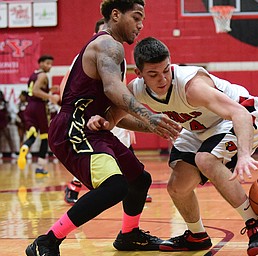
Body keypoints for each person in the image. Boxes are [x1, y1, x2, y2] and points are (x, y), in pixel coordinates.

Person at [87, 37, 258, 255]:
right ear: (139, 74)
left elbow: (238, 113)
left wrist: (243, 154)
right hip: (200, 128)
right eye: (153, 74)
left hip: (244, 114)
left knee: (205, 159)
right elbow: (114, 118)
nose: (162, 79)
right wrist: (101, 122)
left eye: (166, 70)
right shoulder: (136, 89)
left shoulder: (191, 86)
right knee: (177, 186)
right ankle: (197, 236)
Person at [25, 2, 181, 256]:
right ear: (116, 15)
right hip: (72, 127)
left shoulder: (112, 51)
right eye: (136, 17)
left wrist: (154, 127)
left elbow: (113, 117)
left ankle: (129, 235)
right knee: (115, 186)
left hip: (92, 127)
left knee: (139, 180)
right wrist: (149, 116)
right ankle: (47, 241)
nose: (141, 25)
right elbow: (113, 90)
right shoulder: (108, 44)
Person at [62, 18, 152, 205]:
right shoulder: (86, 55)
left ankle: (135, 190)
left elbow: (120, 94)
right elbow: (65, 87)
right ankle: (74, 187)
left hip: (108, 114)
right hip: (87, 118)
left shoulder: (117, 56)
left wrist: (128, 122)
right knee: (97, 160)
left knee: (126, 154)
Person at [17, 55, 60, 175]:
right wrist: (51, 96)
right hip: (40, 107)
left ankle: (25, 146)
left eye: (51, 64)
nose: (49, 66)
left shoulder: (33, 75)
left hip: (29, 106)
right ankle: (40, 168)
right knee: (44, 137)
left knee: (32, 133)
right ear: (40, 63)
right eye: (47, 63)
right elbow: (36, 91)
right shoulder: (43, 75)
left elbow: (33, 91)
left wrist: (49, 90)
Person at [0, 90, 17, 159]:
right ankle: (0, 153)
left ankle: (13, 152)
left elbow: (10, 112)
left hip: (4, 124)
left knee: (9, 137)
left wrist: (10, 120)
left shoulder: (6, 104)